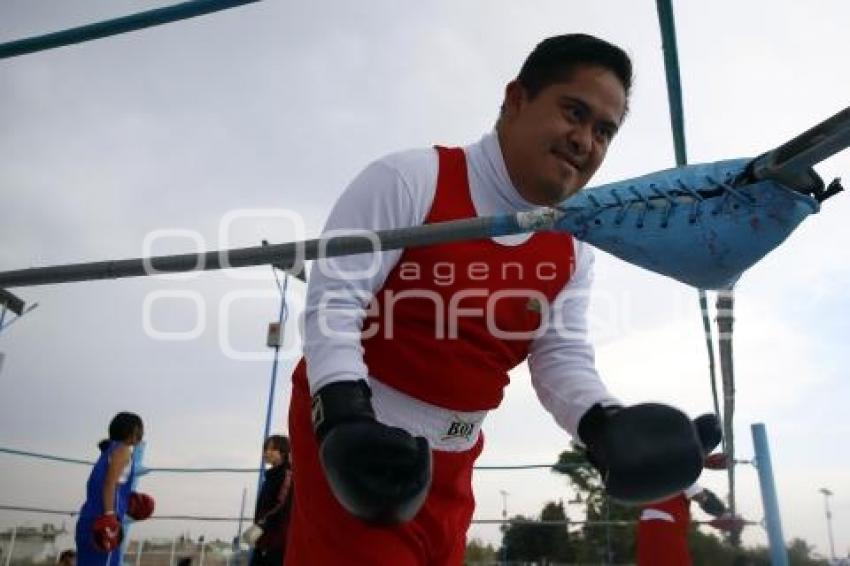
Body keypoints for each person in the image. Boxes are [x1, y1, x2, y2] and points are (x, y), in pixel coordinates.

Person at [286, 33, 717, 565]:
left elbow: (560, 358)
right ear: (516, 99)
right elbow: (334, 305)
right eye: (573, 112)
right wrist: (344, 420)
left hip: (456, 460)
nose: (585, 140)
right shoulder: (409, 179)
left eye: (603, 130)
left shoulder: (573, 248)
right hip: (358, 436)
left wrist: (606, 425)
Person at [75, 412, 152, 566]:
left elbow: (102, 485)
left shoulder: (108, 451)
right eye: (140, 429)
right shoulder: (122, 450)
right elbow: (109, 484)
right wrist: (109, 516)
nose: (142, 433)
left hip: (91, 517)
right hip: (103, 522)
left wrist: (127, 501)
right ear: (131, 431)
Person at [636, 484, 732, 566]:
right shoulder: (681, 473)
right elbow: (701, 497)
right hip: (666, 526)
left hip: (645, 526)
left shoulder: (652, 474)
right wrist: (723, 513)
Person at [250, 435, 294, 566]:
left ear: (283, 452)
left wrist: (260, 528)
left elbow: (280, 506)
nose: (266, 452)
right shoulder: (271, 476)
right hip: (264, 540)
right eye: (265, 449)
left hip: (275, 543)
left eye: (272, 449)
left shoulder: (286, 475)